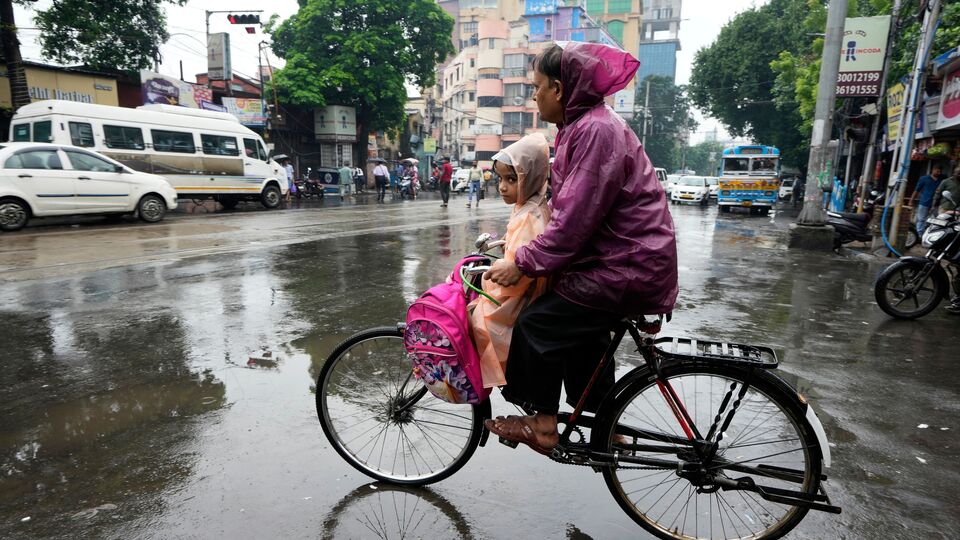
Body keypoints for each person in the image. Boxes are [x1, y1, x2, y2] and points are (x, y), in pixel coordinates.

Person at [483, 42, 678, 453]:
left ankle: (542, 426)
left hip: (625, 265)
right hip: (623, 261)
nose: (533, 96)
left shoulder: (594, 130)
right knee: (582, 334)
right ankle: (608, 425)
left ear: (557, 88)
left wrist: (522, 262)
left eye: (536, 87)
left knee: (537, 324)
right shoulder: (582, 127)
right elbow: (565, 210)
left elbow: (573, 222)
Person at [470, 133, 552, 388]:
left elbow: (517, 276)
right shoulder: (528, 205)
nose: (503, 187)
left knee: (475, 323)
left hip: (518, 298)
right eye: (501, 179)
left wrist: (488, 279)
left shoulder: (529, 215)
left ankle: (491, 386)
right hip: (521, 293)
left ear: (531, 178)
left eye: (512, 179)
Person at [911, 166, 945, 235]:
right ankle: (919, 235)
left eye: (940, 172)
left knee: (938, 220)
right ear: (933, 170)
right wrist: (911, 200)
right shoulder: (924, 178)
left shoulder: (942, 179)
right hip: (924, 202)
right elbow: (917, 190)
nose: (939, 173)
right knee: (921, 220)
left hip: (937, 204)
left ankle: (934, 235)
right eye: (937, 171)